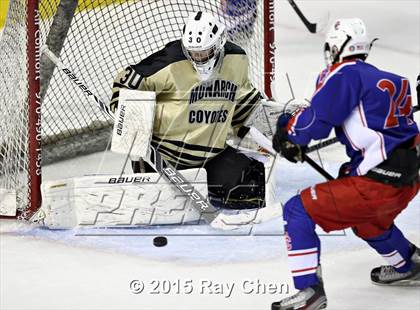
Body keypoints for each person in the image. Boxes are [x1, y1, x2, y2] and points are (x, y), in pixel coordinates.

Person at [271, 18, 420, 309]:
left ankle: (309, 293)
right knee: (367, 223)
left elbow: (316, 119)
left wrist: (290, 135)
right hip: (409, 178)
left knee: (297, 210)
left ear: (338, 46)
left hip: (378, 183)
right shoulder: (390, 79)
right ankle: (409, 264)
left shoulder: (344, 74)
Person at [109, 11, 265, 210]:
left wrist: (269, 124)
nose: (198, 58)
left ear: (218, 44)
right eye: (193, 52)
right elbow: (126, 82)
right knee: (158, 206)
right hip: (165, 156)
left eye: (204, 52)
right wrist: (125, 111)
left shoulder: (236, 59)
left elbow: (242, 99)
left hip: (212, 154)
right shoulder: (169, 61)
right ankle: (145, 169)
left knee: (250, 188)